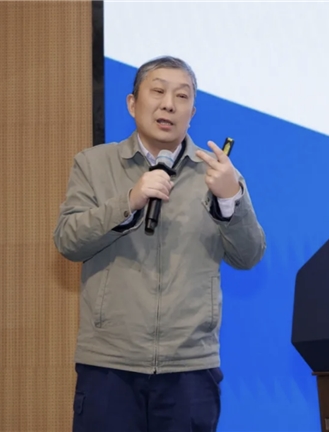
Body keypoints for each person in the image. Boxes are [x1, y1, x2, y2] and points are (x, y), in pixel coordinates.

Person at [53, 56, 266, 432]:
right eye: (158, 91)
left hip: (190, 368)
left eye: (181, 96)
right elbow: (68, 241)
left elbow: (249, 255)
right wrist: (128, 201)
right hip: (109, 364)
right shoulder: (93, 164)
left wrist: (231, 198)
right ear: (132, 103)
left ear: (192, 113)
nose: (169, 104)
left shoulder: (218, 174)